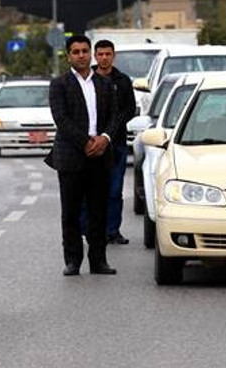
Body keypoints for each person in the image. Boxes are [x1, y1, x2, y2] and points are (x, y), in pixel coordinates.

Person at [46, 35, 119, 276]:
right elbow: (61, 118)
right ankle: (72, 260)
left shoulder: (105, 84)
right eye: (76, 51)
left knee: (99, 211)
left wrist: (104, 138)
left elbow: (114, 116)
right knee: (71, 212)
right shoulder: (59, 84)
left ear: (91, 54)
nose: (81, 55)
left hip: (100, 155)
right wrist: (86, 141)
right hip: (71, 156)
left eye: (85, 51)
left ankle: (99, 260)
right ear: (68, 56)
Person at [94, 39, 136, 245]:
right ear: (95, 56)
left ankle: (113, 230)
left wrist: (112, 128)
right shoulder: (87, 80)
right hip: (91, 143)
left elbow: (129, 109)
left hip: (116, 143)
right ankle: (93, 230)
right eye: (100, 54)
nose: (104, 58)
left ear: (113, 55)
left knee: (114, 189)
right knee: (91, 190)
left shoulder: (123, 81)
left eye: (107, 54)